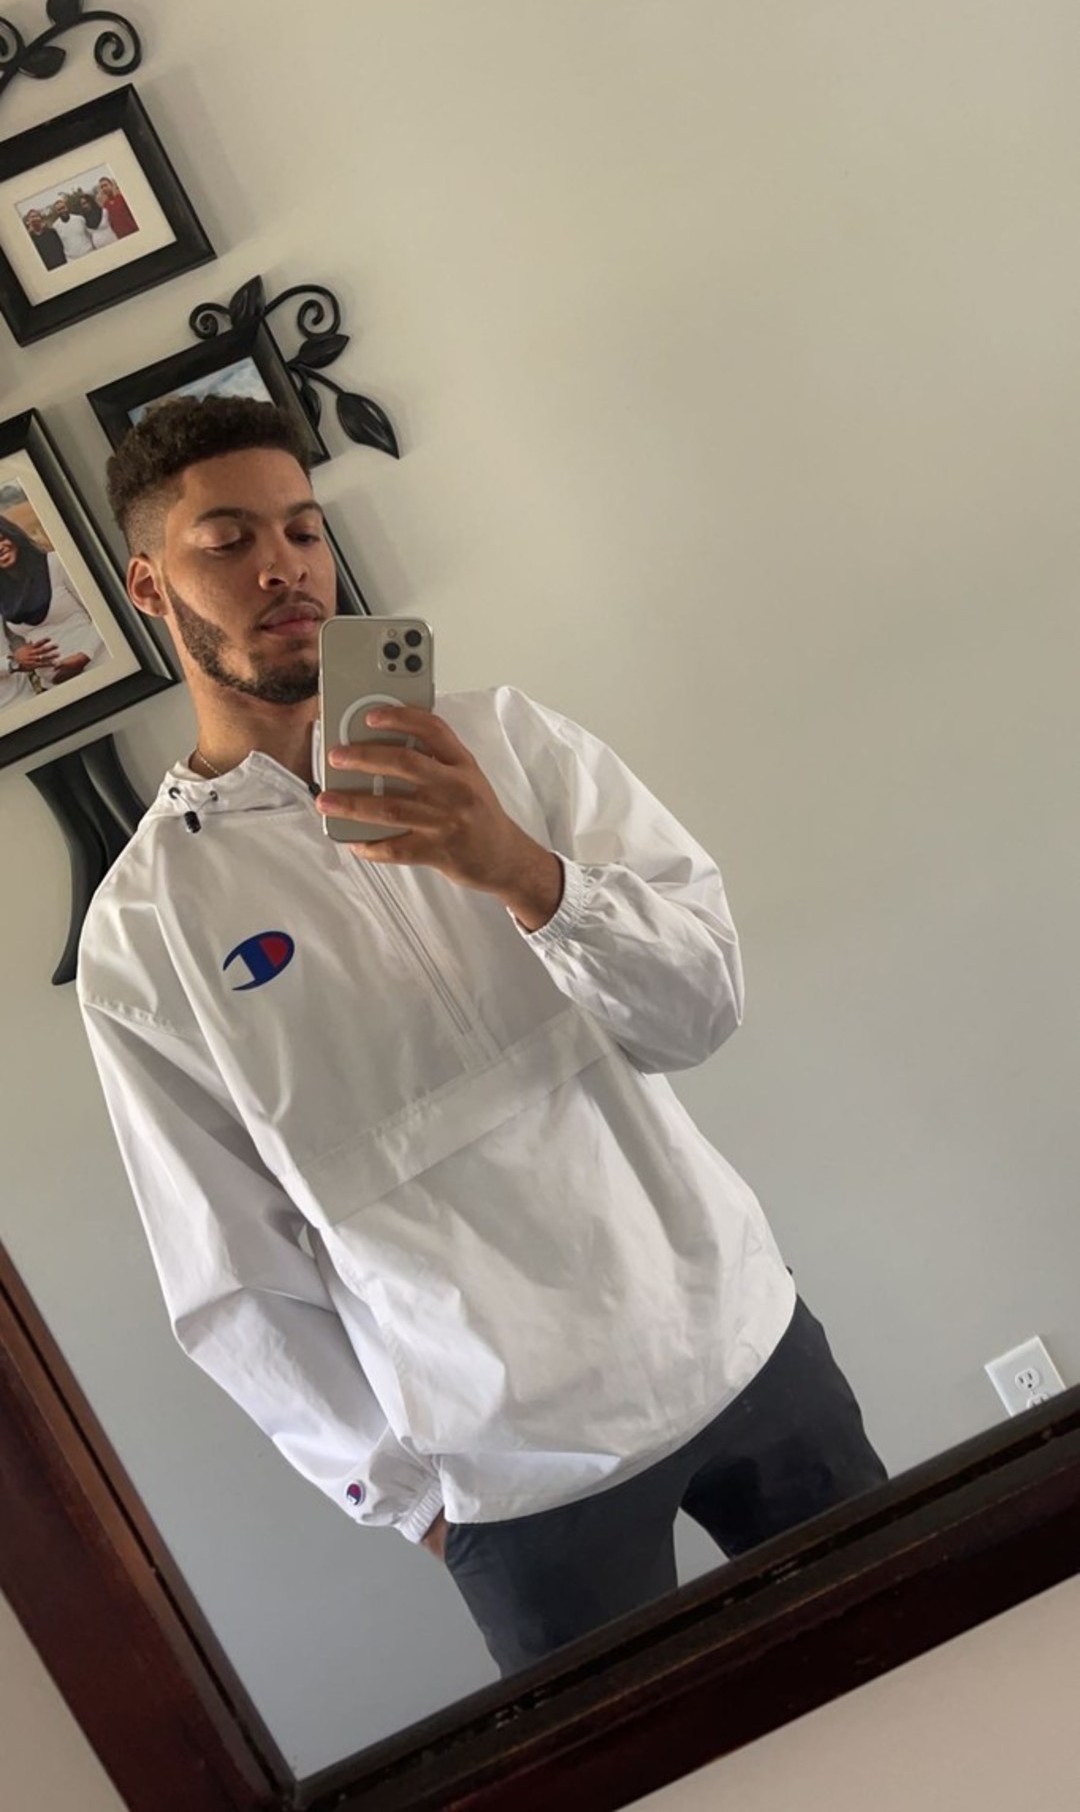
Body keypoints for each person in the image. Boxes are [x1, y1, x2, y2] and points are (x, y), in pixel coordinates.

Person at [76, 397, 886, 1679]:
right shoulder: (144, 929)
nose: (283, 566)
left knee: (917, 1664)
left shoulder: (507, 739)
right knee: (657, 1761)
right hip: (510, 1472)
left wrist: (524, 871)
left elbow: (700, 1008)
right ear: (147, 584)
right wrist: (414, 1501)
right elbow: (229, 1267)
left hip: (737, 1340)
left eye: (303, 529)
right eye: (228, 540)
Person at [0, 515, 106, 689]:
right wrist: (19, 655)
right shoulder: (3, 594)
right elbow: (14, 639)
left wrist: (84, 656)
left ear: (13, 535)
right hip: (55, 686)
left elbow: (103, 612)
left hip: (99, 666)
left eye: (1, 539)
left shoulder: (56, 563)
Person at [47, 195, 94, 261]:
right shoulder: (55, 227)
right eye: (59, 210)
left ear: (67, 207)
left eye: (63, 208)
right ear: (56, 212)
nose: (62, 211)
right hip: (72, 259)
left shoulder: (79, 219)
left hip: (89, 253)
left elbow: (90, 235)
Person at [97, 175, 138, 240]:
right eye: (102, 187)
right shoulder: (105, 206)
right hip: (121, 236)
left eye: (105, 185)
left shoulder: (122, 198)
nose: (104, 188)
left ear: (111, 185)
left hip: (134, 231)